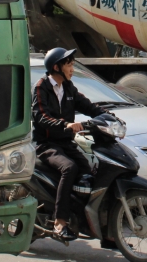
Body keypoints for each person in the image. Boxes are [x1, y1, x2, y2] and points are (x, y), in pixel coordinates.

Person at [32, 47, 104, 239]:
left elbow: (88, 105)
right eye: (69, 64)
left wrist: (108, 117)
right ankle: (59, 222)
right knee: (69, 168)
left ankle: (79, 217)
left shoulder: (68, 88)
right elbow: (41, 116)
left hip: (66, 144)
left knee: (88, 170)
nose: (72, 68)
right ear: (56, 67)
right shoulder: (42, 87)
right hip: (46, 144)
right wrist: (66, 124)